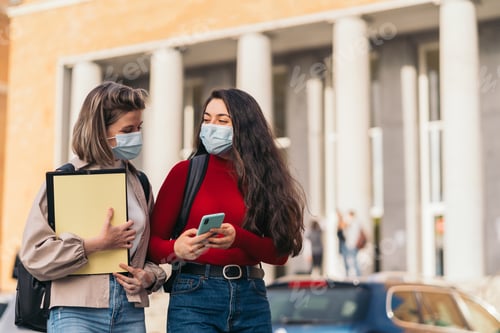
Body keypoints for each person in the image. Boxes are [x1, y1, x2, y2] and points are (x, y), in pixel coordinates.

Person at [148, 88, 306, 332]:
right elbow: (151, 245)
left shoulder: (265, 179)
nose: (211, 127)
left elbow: (280, 254)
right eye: (206, 119)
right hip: (194, 297)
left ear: (244, 128)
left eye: (222, 121)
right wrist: (176, 248)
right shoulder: (184, 173)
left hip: (251, 295)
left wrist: (239, 238)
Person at [19, 81, 166, 333]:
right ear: (100, 130)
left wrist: (149, 277)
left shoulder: (140, 183)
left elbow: (154, 254)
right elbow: (34, 255)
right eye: (128, 129)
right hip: (75, 311)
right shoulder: (64, 178)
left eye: (139, 128)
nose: (136, 136)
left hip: (130, 312)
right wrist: (94, 244)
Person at [340, 209, 362, 277]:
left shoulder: (353, 223)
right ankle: (356, 275)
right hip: (352, 244)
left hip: (352, 244)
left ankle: (357, 275)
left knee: (353, 261)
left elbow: (343, 226)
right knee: (352, 261)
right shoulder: (356, 223)